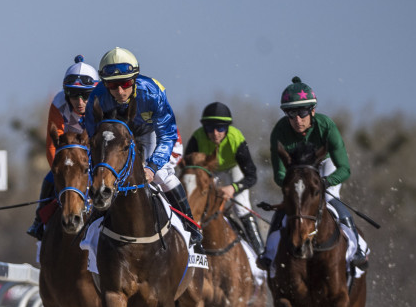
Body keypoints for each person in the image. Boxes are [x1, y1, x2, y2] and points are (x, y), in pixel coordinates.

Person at [83, 47, 200, 246]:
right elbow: (94, 140)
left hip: (147, 133)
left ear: (134, 79)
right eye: (112, 86)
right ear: (104, 84)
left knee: (163, 174)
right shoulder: (97, 98)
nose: (120, 91)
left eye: (125, 84)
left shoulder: (153, 94)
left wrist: (151, 167)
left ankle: (190, 224)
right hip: (114, 138)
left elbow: (168, 135)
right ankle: (94, 220)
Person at [256, 77, 368, 271]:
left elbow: (344, 168)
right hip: (297, 172)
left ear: (312, 111)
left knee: (332, 198)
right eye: (291, 114)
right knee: (288, 207)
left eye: (302, 113)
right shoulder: (280, 132)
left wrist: (325, 182)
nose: (297, 120)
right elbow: (279, 175)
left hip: (325, 166)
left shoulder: (326, 126)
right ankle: (269, 252)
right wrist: (293, 187)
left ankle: (358, 248)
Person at [26, 56, 100, 240]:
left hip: (96, 149)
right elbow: (52, 144)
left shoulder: (103, 103)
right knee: (50, 178)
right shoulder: (58, 103)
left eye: (85, 95)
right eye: (74, 94)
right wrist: (59, 170)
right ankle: (39, 220)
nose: (80, 101)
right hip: (71, 150)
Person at [182, 102, 263, 253]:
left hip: (233, 170)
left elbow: (252, 175)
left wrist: (233, 188)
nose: (215, 133)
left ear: (228, 128)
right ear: (203, 128)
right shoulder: (197, 137)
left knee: (240, 206)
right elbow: (188, 168)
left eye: (220, 128)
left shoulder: (236, 138)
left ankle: (260, 251)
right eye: (209, 128)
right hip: (209, 172)